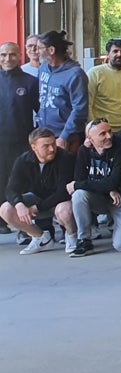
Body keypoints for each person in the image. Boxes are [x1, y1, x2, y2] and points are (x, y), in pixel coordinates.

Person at [2, 128, 74, 254]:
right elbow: (11, 188)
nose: (52, 149)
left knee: (65, 210)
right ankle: (40, 238)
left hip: (59, 202)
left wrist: (36, 207)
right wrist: (19, 205)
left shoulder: (65, 158)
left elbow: (63, 193)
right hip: (37, 199)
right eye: (46, 146)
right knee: (6, 209)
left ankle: (72, 236)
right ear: (34, 147)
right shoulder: (23, 160)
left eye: (53, 144)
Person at [68, 118, 121, 256]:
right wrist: (107, 188)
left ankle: (117, 227)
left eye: (109, 132)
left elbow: (113, 181)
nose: (109, 136)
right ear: (90, 139)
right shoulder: (84, 152)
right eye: (102, 134)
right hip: (98, 198)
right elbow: (80, 179)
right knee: (79, 194)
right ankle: (84, 239)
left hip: (119, 200)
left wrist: (110, 187)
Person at [0, 41, 39, 232]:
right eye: (3, 55)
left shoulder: (30, 82)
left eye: (12, 55)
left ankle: (23, 222)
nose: (8, 59)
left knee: (20, 181)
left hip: (22, 141)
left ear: (19, 56)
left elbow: (41, 111)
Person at [36, 30, 88, 154]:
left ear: (51, 50)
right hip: (44, 133)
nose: (36, 51)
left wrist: (64, 136)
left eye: (39, 48)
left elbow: (80, 109)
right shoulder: (43, 68)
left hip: (66, 136)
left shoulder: (75, 74)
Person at [86, 38, 121, 130]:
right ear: (108, 54)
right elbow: (88, 103)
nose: (119, 54)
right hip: (101, 129)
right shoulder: (95, 73)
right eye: (115, 51)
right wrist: (94, 127)